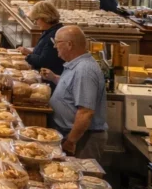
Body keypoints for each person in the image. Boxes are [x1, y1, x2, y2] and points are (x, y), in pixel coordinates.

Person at [45, 25, 108, 162]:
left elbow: (86, 112)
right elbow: (71, 88)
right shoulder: (76, 64)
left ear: (69, 45)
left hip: (83, 139)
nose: (55, 46)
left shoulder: (84, 70)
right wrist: (54, 78)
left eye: (57, 42)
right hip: (72, 134)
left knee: (81, 179)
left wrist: (71, 141)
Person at [18, 1, 66, 80]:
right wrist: (30, 52)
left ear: (44, 18)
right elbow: (45, 53)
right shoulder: (49, 31)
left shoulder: (54, 36)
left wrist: (28, 56)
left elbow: (44, 61)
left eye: (36, 19)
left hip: (49, 80)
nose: (36, 23)